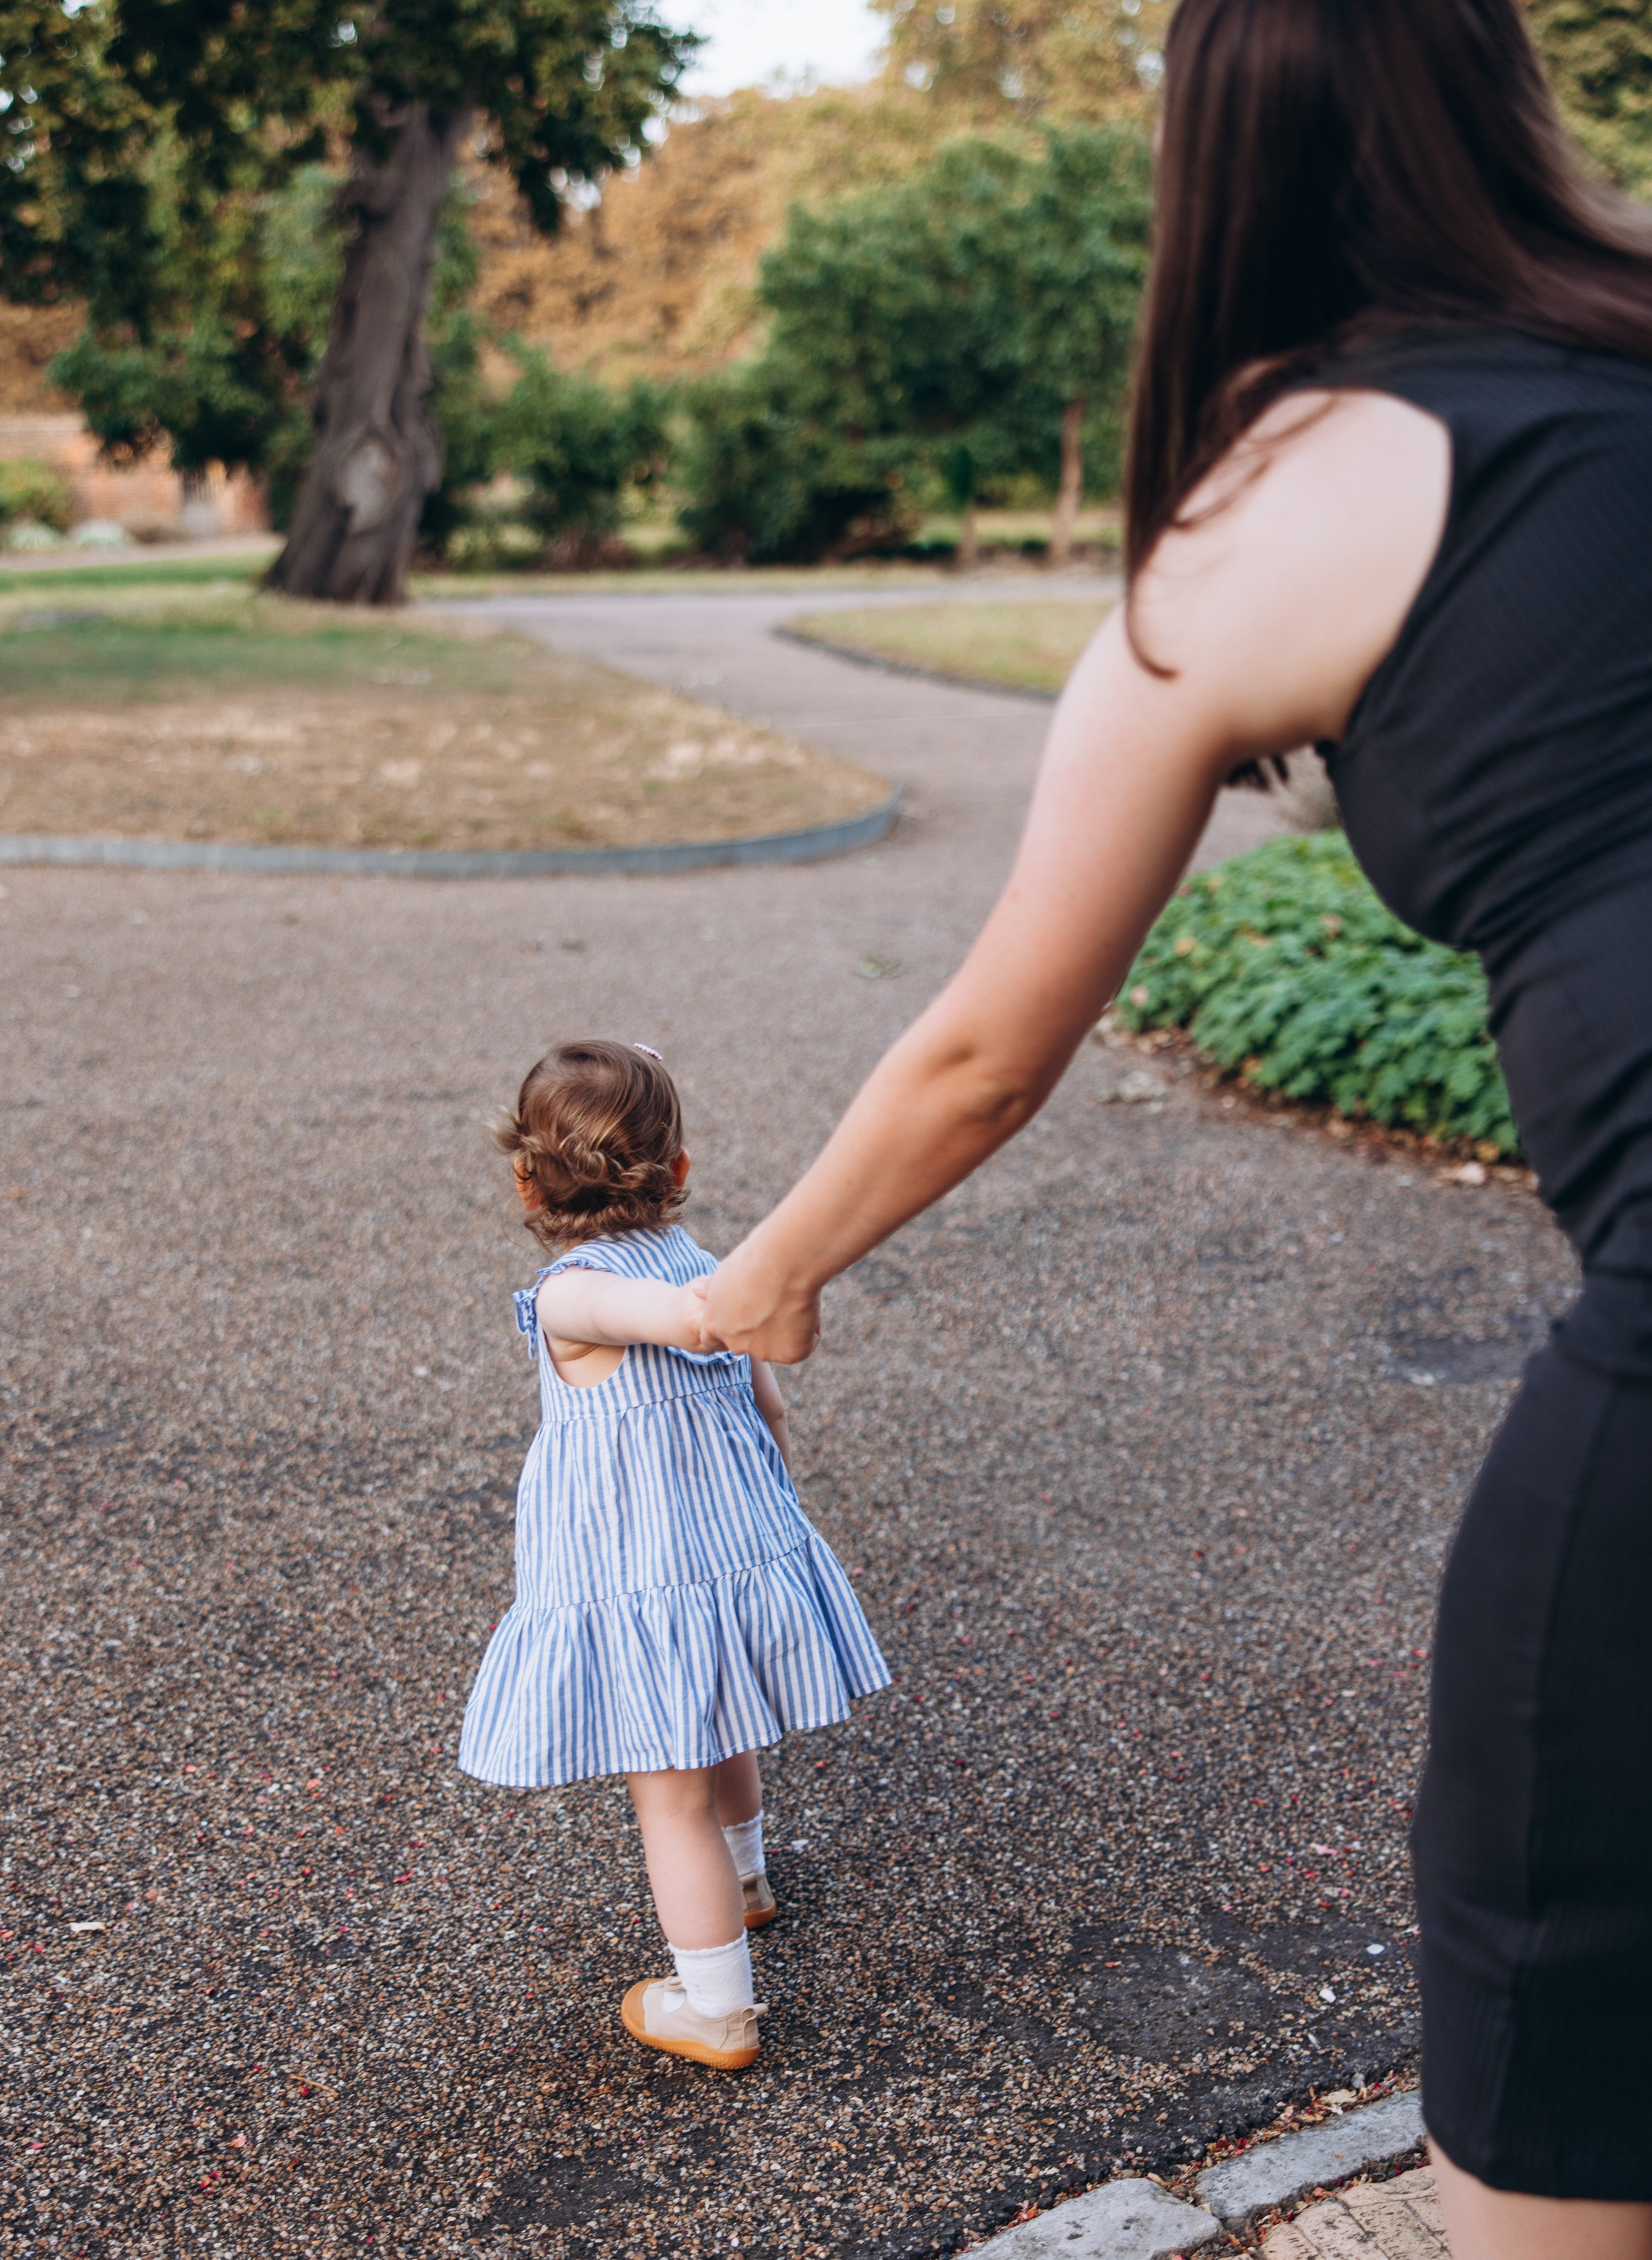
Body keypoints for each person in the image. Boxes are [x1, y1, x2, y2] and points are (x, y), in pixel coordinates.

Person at [700, 0, 1652, 2246]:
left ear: (1214, 167)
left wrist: (766, 1274)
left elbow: (984, 1050)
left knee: (1549, 2025)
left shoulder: (1272, 510)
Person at [457, 1040, 890, 2072]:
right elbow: (763, 1400)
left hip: (645, 1578)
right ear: (679, 1171)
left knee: (671, 1801)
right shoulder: (706, 1269)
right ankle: (746, 1883)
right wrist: (772, 1502)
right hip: (727, 1548)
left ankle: (716, 2010)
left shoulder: (574, 1297)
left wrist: (715, 1317)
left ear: (524, 1175)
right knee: (724, 1719)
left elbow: (665, 1325)